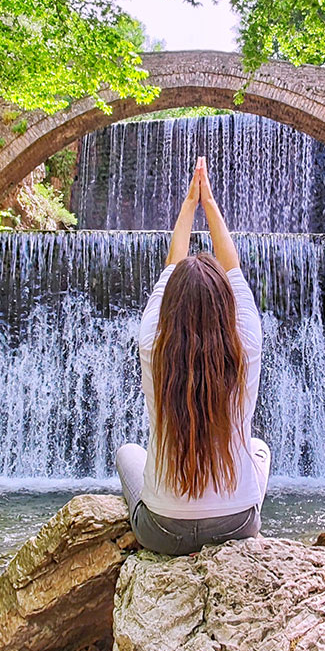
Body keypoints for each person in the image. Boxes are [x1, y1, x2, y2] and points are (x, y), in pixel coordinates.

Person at [114, 156, 268, 556]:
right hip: (237, 525)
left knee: (128, 453)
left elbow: (172, 266)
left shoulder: (153, 342)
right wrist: (209, 204)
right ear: (227, 304)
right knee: (259, 448)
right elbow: (232, 267)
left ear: (170, 305)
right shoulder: (247, 340)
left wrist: (188, 204)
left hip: (161, 530)